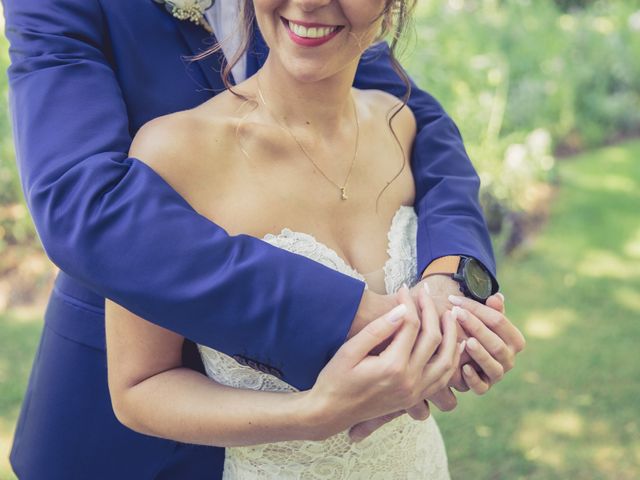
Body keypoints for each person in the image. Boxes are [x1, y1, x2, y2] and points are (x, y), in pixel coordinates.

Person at [2, 0, 524, 478]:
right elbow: (82, 204)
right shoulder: (171, 150)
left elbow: (421, 126)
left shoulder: (387, 115)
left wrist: (451, 296)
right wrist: (359, 321)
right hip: (123, 427)